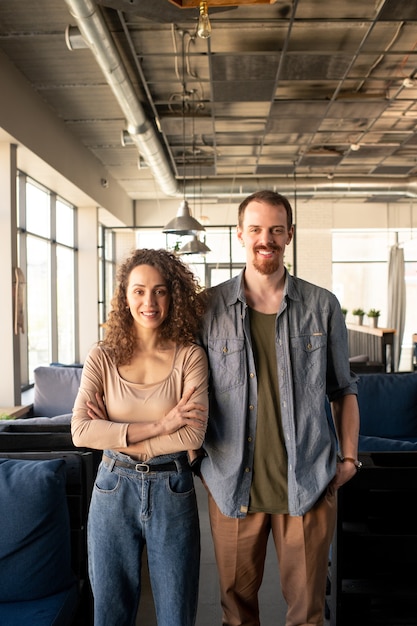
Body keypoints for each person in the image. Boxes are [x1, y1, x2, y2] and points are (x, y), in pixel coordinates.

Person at [198, 190, 360, 626]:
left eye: (275, 229)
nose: (265, 239)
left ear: (290, 234)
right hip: (232, 486)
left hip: (308, 482)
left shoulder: (322, 306)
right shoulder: (208, 309)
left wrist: (348, 459)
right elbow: (191, 389)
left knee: (307, 615)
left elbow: (344, 389)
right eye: (255, 229)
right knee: (236, 614)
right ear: (239, 235)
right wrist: (197, 458)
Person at [71, 248, 209, 626]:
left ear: (173, 296)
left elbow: (194, 431)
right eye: (139, 290)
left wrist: (115, 434)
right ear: (124, 295)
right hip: (113, 487)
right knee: (110, 614)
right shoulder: (102, 356)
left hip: (172, 487)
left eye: (160, 291)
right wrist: (163, 426)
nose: (149, 302)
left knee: (176, 614)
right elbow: (81, 430)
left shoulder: (190, 357)